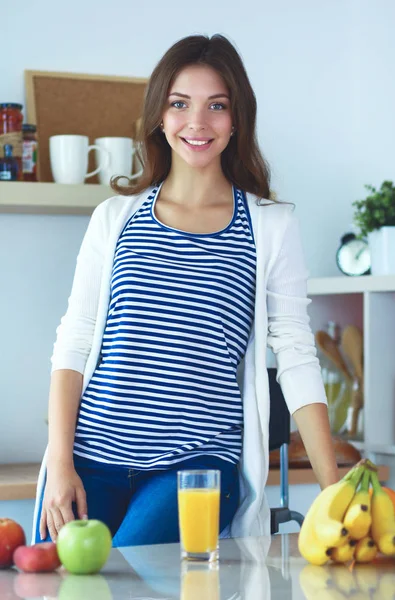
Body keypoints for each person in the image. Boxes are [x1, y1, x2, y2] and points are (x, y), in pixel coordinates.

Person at [32, 33, 339, 547]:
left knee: (130, 576)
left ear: (237, 117)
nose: (197, 123)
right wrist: (60, 463)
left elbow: (296, 354)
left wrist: (334, 490)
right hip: (90, 461)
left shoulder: (270, 227)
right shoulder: (115, 218)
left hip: (196, 470)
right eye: (180, 104)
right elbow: (75, 341)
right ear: (159, 114)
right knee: (54, 585)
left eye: (216, 106)